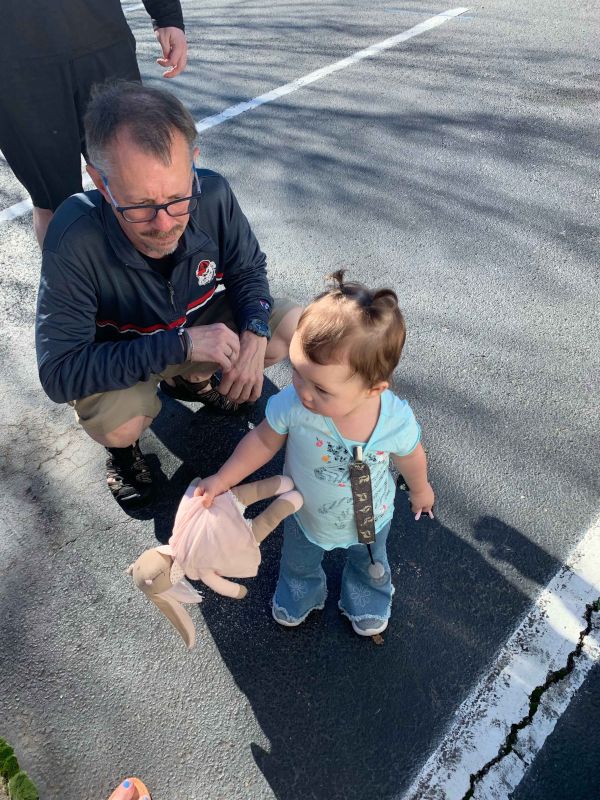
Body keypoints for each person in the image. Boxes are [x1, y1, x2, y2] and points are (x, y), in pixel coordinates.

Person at [35, 82, 302, 509]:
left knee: (290, 329)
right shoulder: (74, 236)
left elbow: (248, 269)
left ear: (194, 164)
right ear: (101, 183)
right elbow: (59, 372)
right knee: (120, 423)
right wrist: (180, 345)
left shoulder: (212, 193)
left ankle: (191, 380)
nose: (164, 224)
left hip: (194, 327)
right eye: (139, 205)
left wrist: (253, 331)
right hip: (129, 357)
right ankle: (124, 451)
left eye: (178, 199)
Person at [195, 271, 435, 638]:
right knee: (298, 560)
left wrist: (420, 489)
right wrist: (222, 479)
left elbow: (411, 456)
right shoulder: (295, 405)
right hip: (304, 510)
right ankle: (301, 589)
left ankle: (367, 591)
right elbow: (261, 441)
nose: (304, 392)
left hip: (371, 514)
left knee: (369, 558)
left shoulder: (393, 419)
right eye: (297, 373)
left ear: (373, 389)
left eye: (320, 388)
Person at [0, 1, 187, 248]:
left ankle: (150, 282)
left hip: (102, 39)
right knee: (55, 202)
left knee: (135, 181)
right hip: (14, 65)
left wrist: (167, 15)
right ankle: (68, 286)